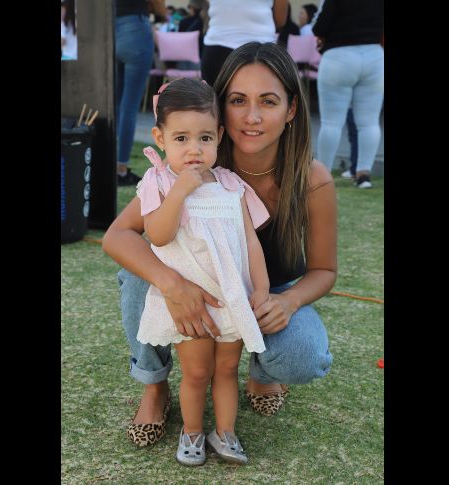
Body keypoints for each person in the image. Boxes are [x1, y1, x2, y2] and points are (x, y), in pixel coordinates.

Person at [102, 41, 336, 448]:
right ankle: (154, 385)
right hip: (196, 285)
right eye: (238, 100)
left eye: (268, 101)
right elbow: (119, 236)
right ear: (220, 106)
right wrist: (172, 284)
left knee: (303, 354)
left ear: (292, 109)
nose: (252, 116)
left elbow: (324, 271)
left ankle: (263, 374)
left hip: (263, 292)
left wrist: (289, 301)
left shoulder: (311, 177)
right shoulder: (195, 156)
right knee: (138, 274)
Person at [127, 78, 270, 464]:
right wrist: (179, 192)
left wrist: (262, 287)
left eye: (205, 138)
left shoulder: (230, 184)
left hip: (231, 297)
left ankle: (225, 433)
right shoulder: (158, 183)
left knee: (226, 370)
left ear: (219, 136)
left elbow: (250, 241)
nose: (194, 149)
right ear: (160, 137)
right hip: (190, 303)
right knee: (196, 372)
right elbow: (157, 234)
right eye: (181, 139)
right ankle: (191, 433)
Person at [313, 0, 383, 187]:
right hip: (374, 55)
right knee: (369, 122)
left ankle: (323, 174)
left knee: (331, 122)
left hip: (338, 56)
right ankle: (363, 175)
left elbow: (320, 26)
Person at [115, 0, 167, 186]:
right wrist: (163, 14)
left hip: (108, 28)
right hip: (135, 27)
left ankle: (105, 163)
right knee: (129, 106)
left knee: (113, 104)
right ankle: (120, 170)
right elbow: (159, 5)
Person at [200, 0, 288, 86]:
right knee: (261, 98)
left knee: (213, 99)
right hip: (260, 47)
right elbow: (280, 20)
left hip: (217, 47)